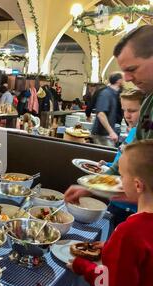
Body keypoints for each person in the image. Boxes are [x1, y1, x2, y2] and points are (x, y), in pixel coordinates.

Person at [65, 25, 153, 204]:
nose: (127, 78)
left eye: (132, 69)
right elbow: (135, 152)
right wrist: (92, 186)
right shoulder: (149, 101)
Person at [67, 140, 153, 286]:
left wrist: (82, 266)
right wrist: (110, 248)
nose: (119, 181)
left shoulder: (129, 230)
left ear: (137, 185)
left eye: (121, 176)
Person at [98, 89, 145, 227]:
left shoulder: (141, 135)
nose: (127, 115)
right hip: (116, 202)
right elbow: (121, 162)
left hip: (128, 209)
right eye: (124, 110)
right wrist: (108, 164)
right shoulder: (133, 131)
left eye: (132, 111)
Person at [91, 72, 124, 147]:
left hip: (106, 134)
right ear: (119, 81)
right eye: (123, 79)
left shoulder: (114, 93)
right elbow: (100, 114)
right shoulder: (106, 93)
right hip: (101, 134)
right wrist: (111, 132)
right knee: (107, 157)